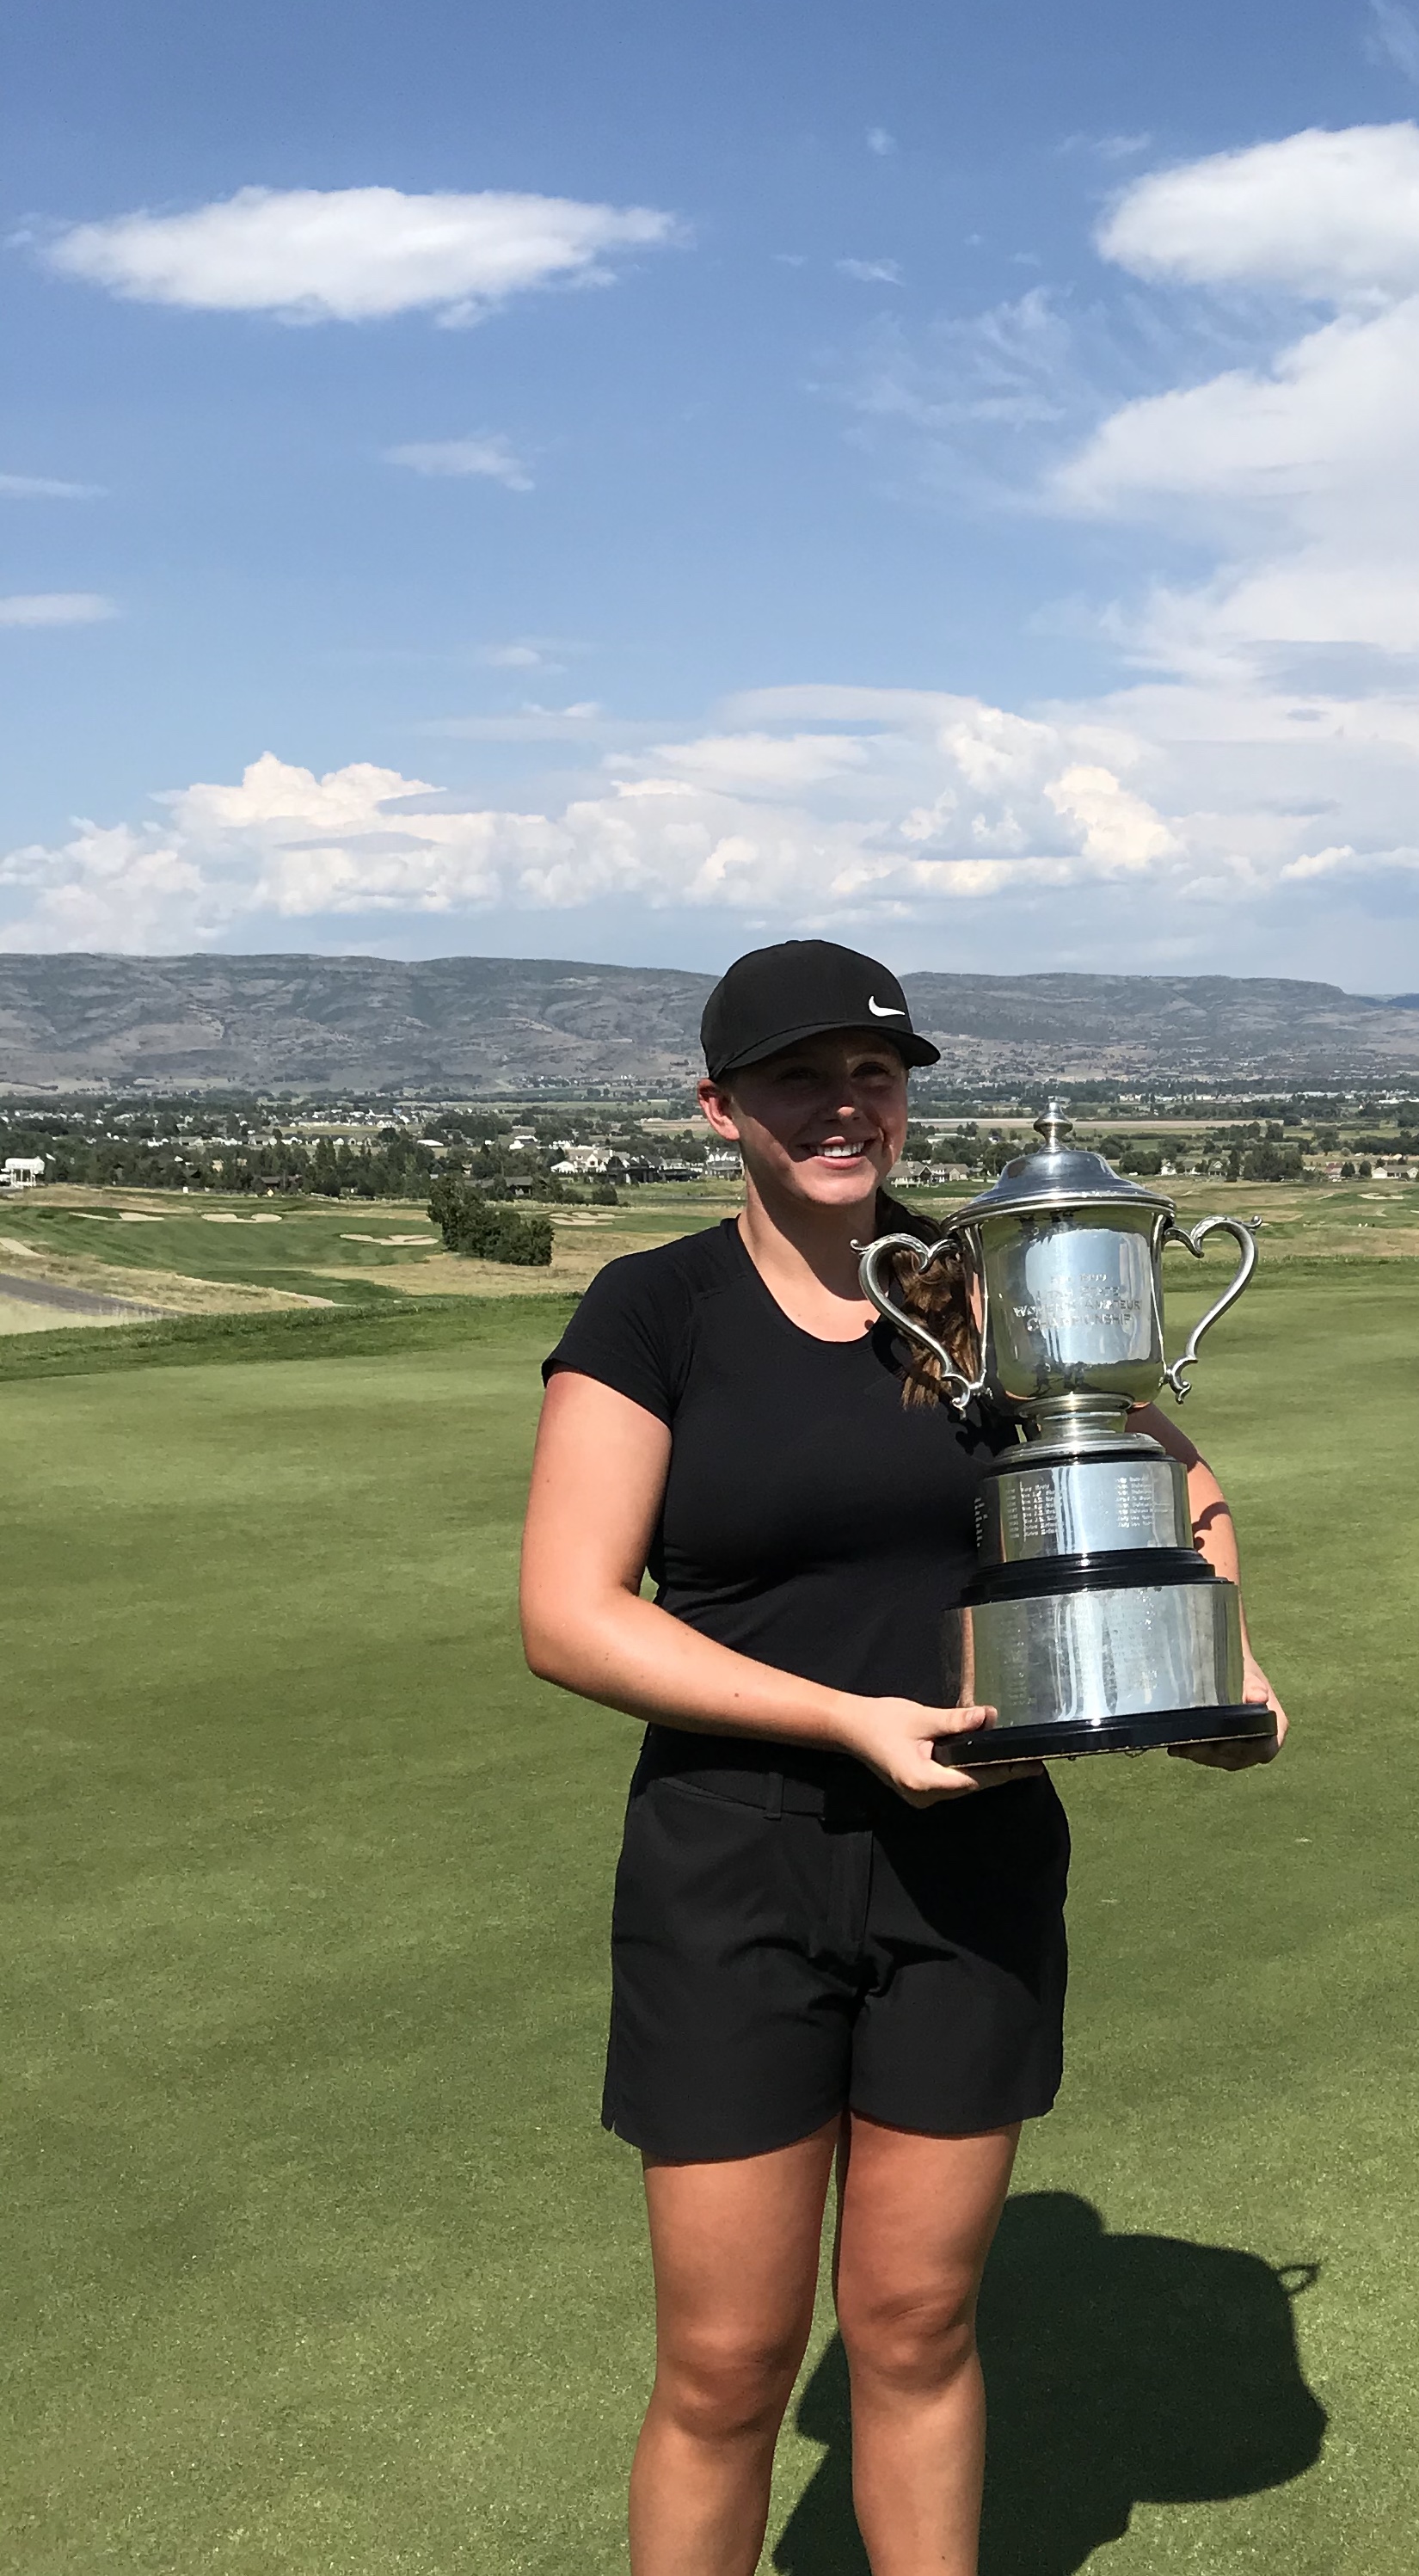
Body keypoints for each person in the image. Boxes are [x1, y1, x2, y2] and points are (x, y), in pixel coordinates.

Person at [519, 939, 1286, 2576]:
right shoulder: (656, 1309)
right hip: (736, 1857)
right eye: (799, 1077)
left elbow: (1173, 1479)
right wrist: (843, 1719)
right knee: (727, 2366)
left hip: (972, 1862)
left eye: (873, 1073)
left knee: (918, 2325)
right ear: (720, 1107)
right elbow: (571, 1617)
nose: (843, 1105)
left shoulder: (984, 1286)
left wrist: (1217, 1660)